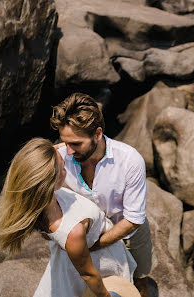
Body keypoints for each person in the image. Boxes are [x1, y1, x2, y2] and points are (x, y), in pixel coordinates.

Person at [0, 138, 136, 297]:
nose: (66, 165)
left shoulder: (35, 204)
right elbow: (89, 275)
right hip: (97, 258)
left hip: (72, 255)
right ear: (49, 183)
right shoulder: (72, 231)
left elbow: (43, 156)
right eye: (62, 168)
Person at [50, 93, 154, 297]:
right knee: (89, 285)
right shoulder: (61, 156)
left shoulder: (130, 160)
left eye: (76, 144)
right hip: (86, 234)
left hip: (129, 234)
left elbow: (133, 219)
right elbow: (31, 166)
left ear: (98, 134)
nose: (69, 152)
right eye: (65, 142)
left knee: (139, 280)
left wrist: (91, 246)